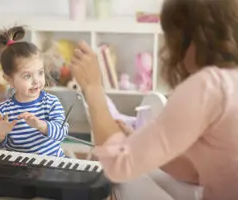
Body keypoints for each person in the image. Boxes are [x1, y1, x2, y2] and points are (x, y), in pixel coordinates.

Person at [69, 0, 238, 199]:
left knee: (124, 180)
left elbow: (118, 165)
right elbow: (194, 172)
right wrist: (143, 145)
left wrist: (93, 88)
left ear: (193, 37)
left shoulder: (210, 85)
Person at [0, 26, 69, 157]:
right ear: (9, 80)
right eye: (27, 76)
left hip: (50, 164)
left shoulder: (51, 102)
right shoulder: (3, 110)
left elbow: (62, 133)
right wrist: (0, 135)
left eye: (40, 73)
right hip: (18, 167)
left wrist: (41, 125)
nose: (36, 81)